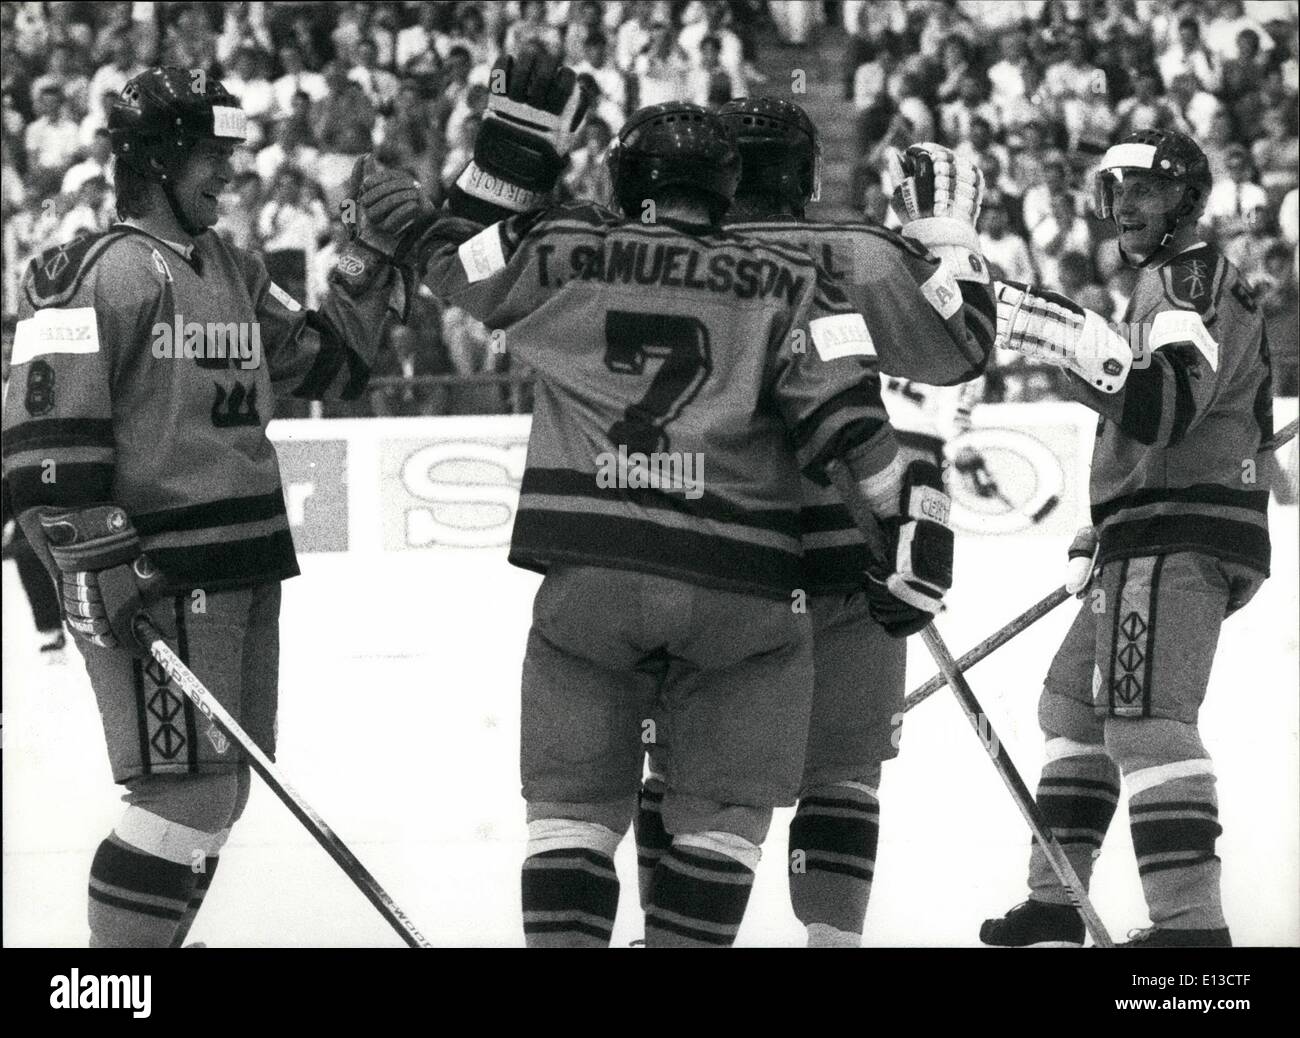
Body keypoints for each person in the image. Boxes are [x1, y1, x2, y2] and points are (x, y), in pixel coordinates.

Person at [357, 53, 953, 948]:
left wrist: (443, 206)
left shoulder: (568, 246)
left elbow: (458, 265)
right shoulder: (795, 279)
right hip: (743, 578)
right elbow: (843, 410)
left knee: (572, 816)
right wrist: (910, 512)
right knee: (720, 814)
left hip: (592, 570)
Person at [1, 67, 405, 948]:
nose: (231, 173)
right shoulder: (92, 272)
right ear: (156, 159)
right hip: (160, 574)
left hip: (250, 563)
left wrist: (368, 263)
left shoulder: (232, 266)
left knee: (220, 791)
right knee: (179, 792)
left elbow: (336, 367)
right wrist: (95, 563)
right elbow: (38, 456)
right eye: (212, 157)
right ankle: (111, 988)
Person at [630, 96, 995, 948]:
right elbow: (963, 347)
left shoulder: (672, 255)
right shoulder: (860, 253)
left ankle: (668, 934)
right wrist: (947, 235)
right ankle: (833, 942)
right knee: (842, 776)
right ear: (808, 174)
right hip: (847, 551)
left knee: (687, 772)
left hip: (711, 552)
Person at [982, 129, 1274, 947]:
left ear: (1187, 196)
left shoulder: (1187, 279)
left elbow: (1164, 407)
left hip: (1178, 534)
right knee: (1072, 706)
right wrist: (1100, 525)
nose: (1126, 206)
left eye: (1145, 188)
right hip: (1145, 529)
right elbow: (1175, 425)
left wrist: (1061, 338)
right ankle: (1057, 901)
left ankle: (1190, 926)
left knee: (1145, 722)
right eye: (1116, 190)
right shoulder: (1168, 283)